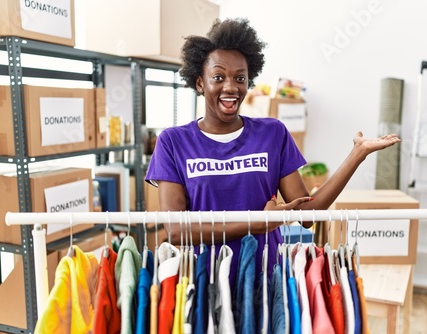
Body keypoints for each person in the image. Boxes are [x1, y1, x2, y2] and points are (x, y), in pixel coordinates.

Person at [145, 18, 400, 286]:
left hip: (265, 279)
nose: (231, 87)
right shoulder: (173, 142)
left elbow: (308, 216)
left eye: (240, 78)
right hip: (204, 284)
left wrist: (357, 155)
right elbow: (175, 231)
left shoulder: (272, 133)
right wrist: (257, 224)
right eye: (218, 77)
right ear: (199, 83)